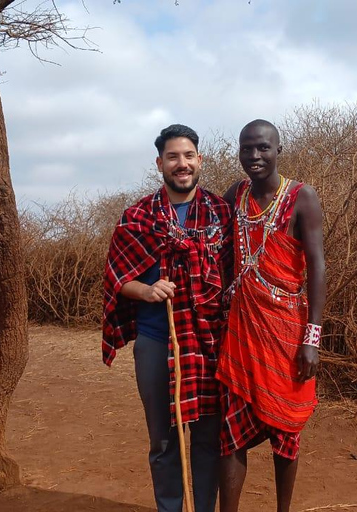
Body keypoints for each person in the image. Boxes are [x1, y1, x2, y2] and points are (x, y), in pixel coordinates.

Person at [102, 124, 232, 512]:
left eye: (188, 156)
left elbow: (235, 275)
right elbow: (115, 277)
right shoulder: (137, 216)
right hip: (158, 339)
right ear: (160, 163)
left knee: (209, 438)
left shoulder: (221, 213)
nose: (182, 164)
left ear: (199, 160)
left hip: (211, 343)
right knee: (163, 440)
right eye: (173, 157)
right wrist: (146, 290)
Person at [216, 119, 326, 512]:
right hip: (242, 331)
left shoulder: (302, 198)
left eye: (263, 148)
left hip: (287, 332)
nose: (255, 156)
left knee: (287, 428)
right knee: (230, 430)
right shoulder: (235, 195)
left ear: (278, 150)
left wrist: (312, 340)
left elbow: (317, 267)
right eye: (247, 149)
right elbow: (213, 247)